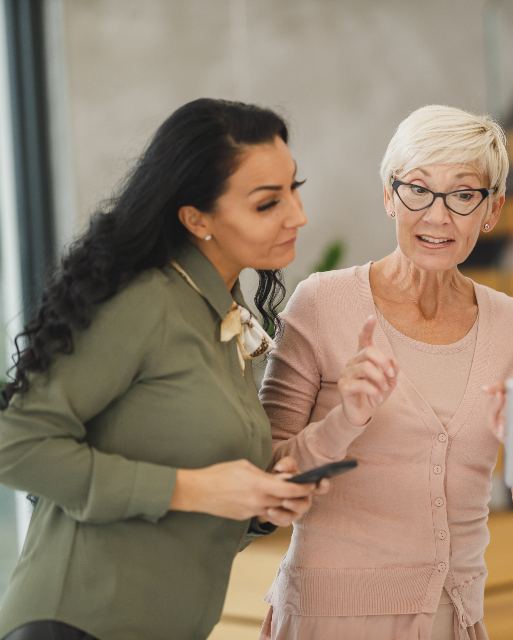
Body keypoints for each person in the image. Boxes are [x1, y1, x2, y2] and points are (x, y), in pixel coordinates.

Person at [0, 98, 328, 640]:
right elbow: (13, 442)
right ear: (196, 218)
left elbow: (197, 502)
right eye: (268, 203)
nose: (298, 215)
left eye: (295, 188)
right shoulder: (145, 302)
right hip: (79, 622)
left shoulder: (220, 315)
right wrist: (194, 490)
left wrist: (262, 505)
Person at [259, 104, 513, 640]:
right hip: (328, 620)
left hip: (455, 619)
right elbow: (267, 489)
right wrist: (344, 420)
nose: (437, 216)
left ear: (492, 209)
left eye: (463, 195)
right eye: (418, 189)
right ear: (389, 195)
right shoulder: (321, 303)